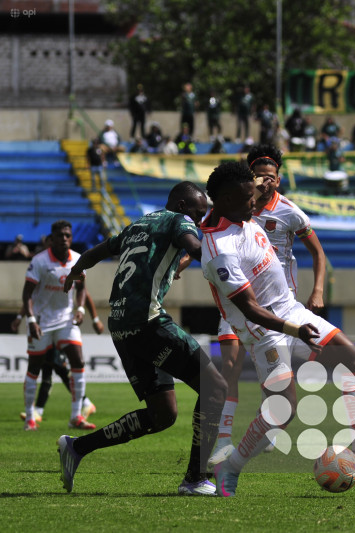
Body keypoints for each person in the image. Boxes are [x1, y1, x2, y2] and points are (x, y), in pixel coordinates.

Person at [201, 161, 355, 496]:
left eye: (254, 193)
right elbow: (250, 308)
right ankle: (231, 466)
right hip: (264, 331)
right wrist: (294, 331)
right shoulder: (219, 249)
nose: (255, 202)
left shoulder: (239, 210)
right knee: (283, 411)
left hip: (291, 310)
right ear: (225, 200)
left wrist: (260, 183)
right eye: (248, 197)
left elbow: (259, 194)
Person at [57, 182, 227, 496]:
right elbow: (193, 245)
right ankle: (195, 478)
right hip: (148, 321)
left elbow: (97, 251)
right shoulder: (179, 220)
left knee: (162, 414)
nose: (199, 220)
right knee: (215, 387)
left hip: (121, 326)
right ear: (181, 205)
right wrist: (223, 263)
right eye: (197, 213)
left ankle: (76, 447)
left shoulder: (138, 225)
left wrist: (76, 269)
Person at [207, 145, 328, 466]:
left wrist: (317, 291)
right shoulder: (235, 208)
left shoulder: (289, 211)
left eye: (272, 176)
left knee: (275, 372)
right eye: (260, 176)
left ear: (279, 178)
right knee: (230, 365)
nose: (267, 181)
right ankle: (223, 439)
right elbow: (209, 235)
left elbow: (318, 251)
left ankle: (271, 424)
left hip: (277, 305)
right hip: (239, 300)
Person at [21, 220, 95, 432]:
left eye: (67, 235)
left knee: (78, 361)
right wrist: (30, 320)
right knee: (34, 367)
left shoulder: (78, 259)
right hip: (41, 321)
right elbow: (27, 294)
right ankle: (30, 418)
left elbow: (81, 288)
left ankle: (76, 416)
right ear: (51, 239)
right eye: (60, 235)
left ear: (71, 238)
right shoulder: (40, 261)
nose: (64, 238)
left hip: (65, 320)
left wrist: (80, 309)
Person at [13, 291, 104, 423]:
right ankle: (40, 410)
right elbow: (30, 297)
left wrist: (95, 318)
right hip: (43, 328)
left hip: (60, 327)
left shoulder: (65, 279)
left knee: (56, 365)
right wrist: (19, 317)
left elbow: (83, 291)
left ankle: (83, 403)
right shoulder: (39, 280)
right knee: (50, 366)